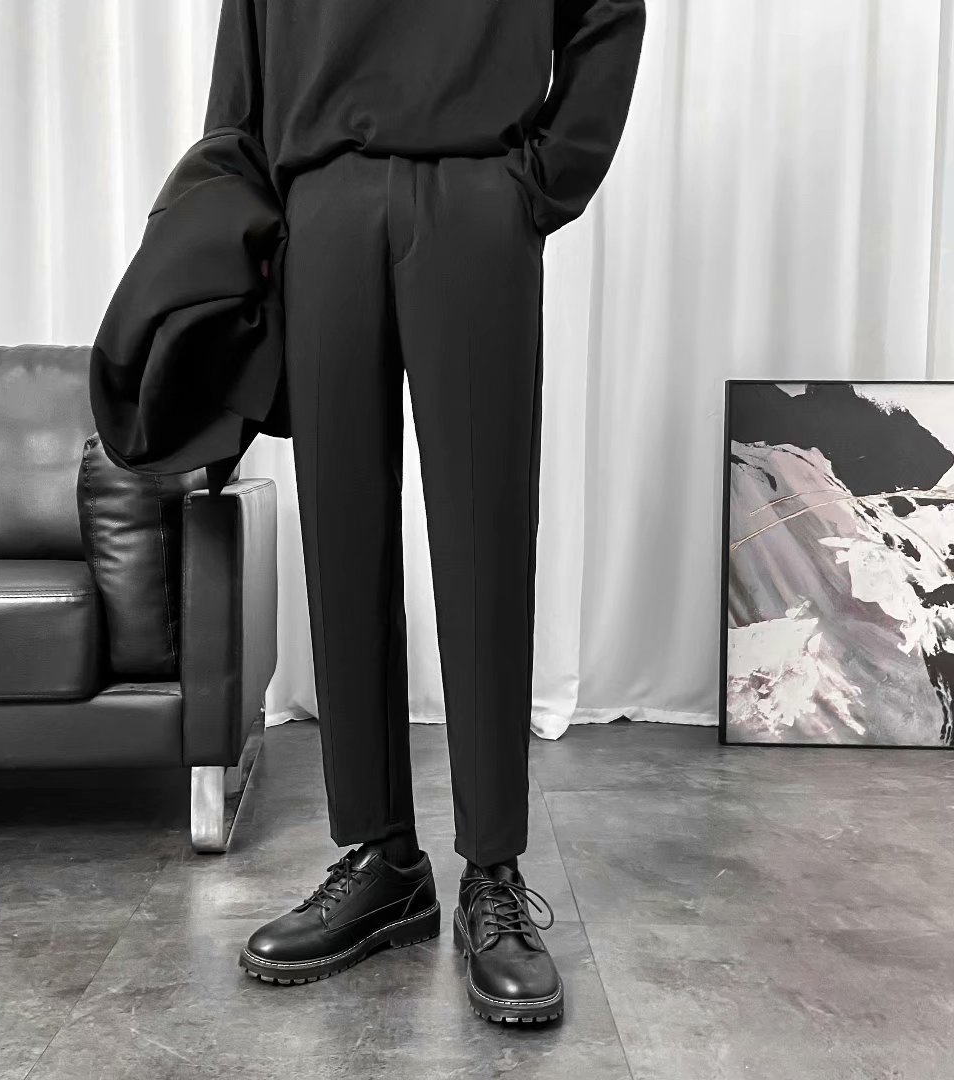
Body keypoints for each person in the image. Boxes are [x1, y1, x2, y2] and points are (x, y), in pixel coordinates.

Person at [206, 0, 646, 1024]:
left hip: (478, 192)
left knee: (484, 537)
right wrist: (246, 212)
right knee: (342, 533)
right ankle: (382, 861)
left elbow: (607, 10)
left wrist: (542, 179)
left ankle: (493, 870)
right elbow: (246, 40)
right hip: (319, 199)